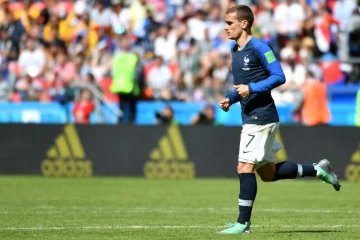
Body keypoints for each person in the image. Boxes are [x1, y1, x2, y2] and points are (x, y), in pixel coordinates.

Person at [217, 5, 341, 234]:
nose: (225, 28)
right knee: (268, 173)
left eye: (229, 23)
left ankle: (243, 224)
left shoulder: (259, 48)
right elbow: (244, 86)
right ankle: (318, 170)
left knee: (244, 167)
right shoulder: (236, 50)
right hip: (251, 115)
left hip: (261, 116)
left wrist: (250, 88)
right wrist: (230, 98)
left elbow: (279, 76)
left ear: (244, 23)